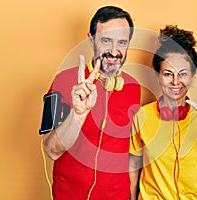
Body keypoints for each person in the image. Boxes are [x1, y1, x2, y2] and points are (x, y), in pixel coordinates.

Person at [40, 6, 141, 200]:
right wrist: (78, 114)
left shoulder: (133, 87)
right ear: (91, 39)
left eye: (122, 42)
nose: (114, 51)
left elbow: (130, 151)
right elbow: (51, 150)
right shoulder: (62, 81)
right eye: (106, 41)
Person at [129, 25, 197, 200]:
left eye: (183, 74)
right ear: (157, 76)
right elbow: (133, 166)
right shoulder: (142, 116)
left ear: (192, 76)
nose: (176, 81)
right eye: (168, 74)